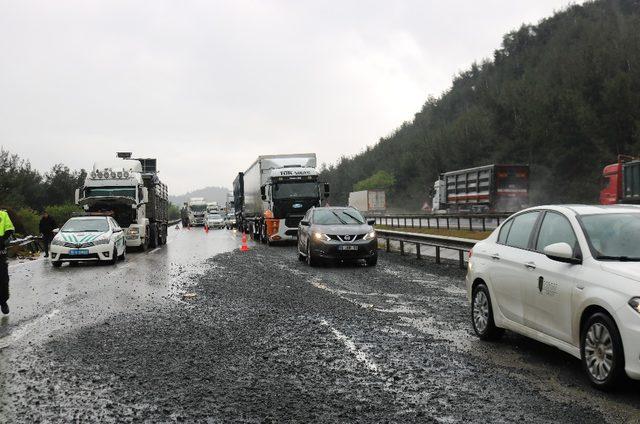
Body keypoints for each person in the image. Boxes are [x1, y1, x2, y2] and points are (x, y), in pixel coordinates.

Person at [0, 208, 15, 315]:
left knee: (3, 280)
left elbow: (9, 229)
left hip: (0, 251)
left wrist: (1, 240)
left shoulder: (3, 214)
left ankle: (3, 301)